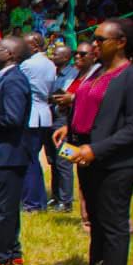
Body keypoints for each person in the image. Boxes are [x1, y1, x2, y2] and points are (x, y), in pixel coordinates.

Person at [52, 18, 133, 265]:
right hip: (85, 154)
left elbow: (131, 128)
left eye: (102, 39)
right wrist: (70, 128)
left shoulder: (129, 76)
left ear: (121, 42)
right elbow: (86, 103)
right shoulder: (97, 71)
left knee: (113, 224)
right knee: (95, 221)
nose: (95, 44)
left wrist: (95, 149)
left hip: (113, 163)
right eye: (95, 39)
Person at [0, 37, 33, 265]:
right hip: (2, 153)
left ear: (12, 55)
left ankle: (2, 257)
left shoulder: (14, 81)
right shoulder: (3, 76)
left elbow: (12, 118)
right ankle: (13, 252)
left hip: (8, 154)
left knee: (5, 209)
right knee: (7, 207)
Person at [45, 44, 84, 213]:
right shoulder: (54, 73)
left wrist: (52, 98)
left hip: (64, 122)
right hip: (51, 121)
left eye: (57, 54)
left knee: (64, 161)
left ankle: (66, 201)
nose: (53, 56)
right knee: (52, 160)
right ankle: (55, 196)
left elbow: (63, 97)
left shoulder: (73, 75)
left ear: (66, 58)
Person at [20, 32, 56, 212]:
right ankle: (38, 198)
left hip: (32, 115)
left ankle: (32, 202)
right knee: (34, 158)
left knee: (29, 159)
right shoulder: (50, 64)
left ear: (34, 45)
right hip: (44, 114)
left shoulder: (28, 64)